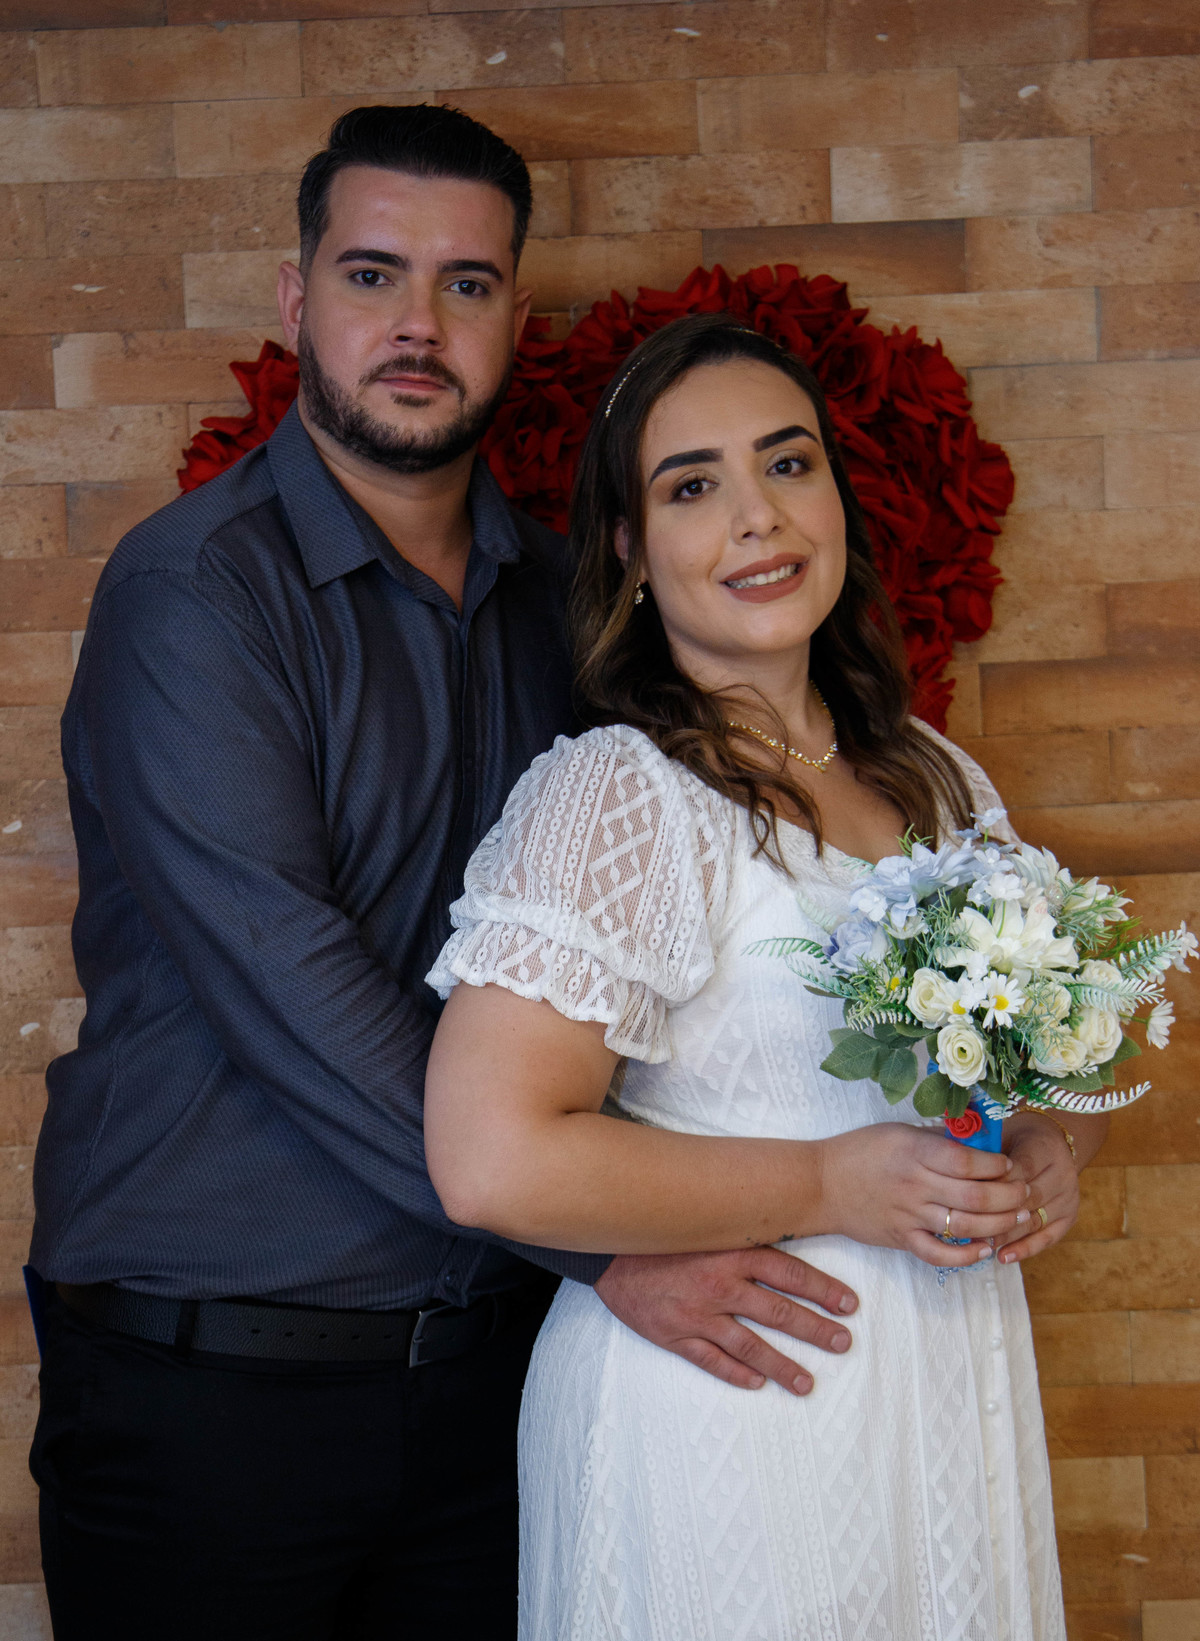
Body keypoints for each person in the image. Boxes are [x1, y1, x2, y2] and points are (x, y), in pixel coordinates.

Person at [28, 110, 861, 1641]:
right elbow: (291, 986)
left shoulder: (571, 604)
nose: (418, 323)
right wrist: (607, 1239)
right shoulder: (195, 591)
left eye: (465, 284)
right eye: (373, 274)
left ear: (514, 318)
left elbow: (688, 905)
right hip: (214, 1382)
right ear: (297, 301)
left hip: (497, 1374)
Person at [425, 313, 1108, 1639]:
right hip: (731, 1412)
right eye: (693, 486)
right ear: (627, 550)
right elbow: (489, 1158)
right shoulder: (621, 794)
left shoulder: (937, 776)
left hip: (942, 1391)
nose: (758, 516)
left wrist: (1046, 1153)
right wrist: (829, 1182)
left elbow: (1053, 1064)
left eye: (788, 464)